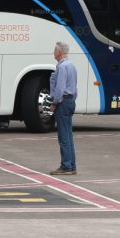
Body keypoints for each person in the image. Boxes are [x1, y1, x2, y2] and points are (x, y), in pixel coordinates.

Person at [47, 41, 79, 174]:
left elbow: (60, 88)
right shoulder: (71, 65)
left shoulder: (61, 67)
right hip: (70, 100)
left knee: (63, 136)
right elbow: (74, 87)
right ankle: (71, 165)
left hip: (63, 102)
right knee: (69, 135)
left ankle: (66, 166)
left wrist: (54, 103)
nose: (53, 53)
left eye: (55, 51)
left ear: (59, 52)